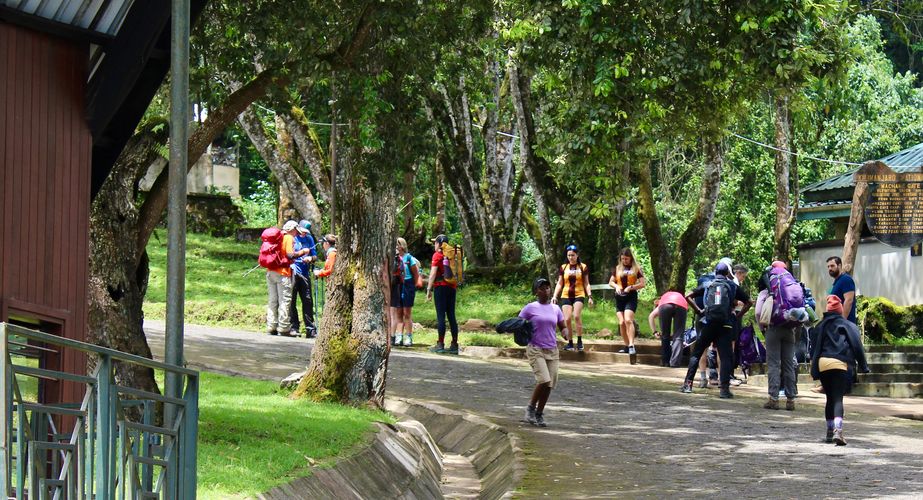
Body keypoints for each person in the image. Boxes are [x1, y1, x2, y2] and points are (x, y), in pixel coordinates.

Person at [680, 262, 752, 398]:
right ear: (727, 274)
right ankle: (724, 390)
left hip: (709, 323)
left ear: (715, 272)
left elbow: (688, 296)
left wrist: (699, 311)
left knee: (697, 353)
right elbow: (749, 302)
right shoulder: (732, 286)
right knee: (726, 357)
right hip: (725, 325)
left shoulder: (708, 284)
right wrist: (737, 317)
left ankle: (688, 385)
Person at [810, 295, 870, 446]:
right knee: (837, 398)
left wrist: (814, 368)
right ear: (840, 310)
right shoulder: (847, 325)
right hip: (840, 363)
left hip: (823, 363)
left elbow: (813, 348)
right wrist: (863, 366)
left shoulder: (820, 326)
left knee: (829, 398)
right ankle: (838, 431)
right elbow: (856, 345)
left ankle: (829, 432)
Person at [520, 277, 569, 427]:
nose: (546, 291)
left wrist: (565, 333)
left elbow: (562, 326)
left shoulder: (555, 308)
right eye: (542, 288)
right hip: (536, 349)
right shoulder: (530, 308)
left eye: (547, 288)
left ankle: (539, 413)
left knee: (549, 384)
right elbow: (519, 324)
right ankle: (530, 409)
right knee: (544, 380)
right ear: (536, 291)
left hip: (552, 350)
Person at [757, 261, 799, 410]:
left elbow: (758, 312)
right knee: (788, 364)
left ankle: (773, 399)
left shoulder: (767, 290)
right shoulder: (791, 285)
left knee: (774, 364)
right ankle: (790, 400)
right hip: (789, 329)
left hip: (773, 329)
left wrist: (762, 327)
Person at [551, 244, 592, 351]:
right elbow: (560, 283)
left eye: (573, 255)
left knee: (576, 316)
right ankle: (570, 342)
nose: (571, 257)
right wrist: (555, 296)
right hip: (566, 295)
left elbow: (586, 283)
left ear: (577, 255)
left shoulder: (583, 267)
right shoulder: (564, 267)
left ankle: (579, 341)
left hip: (579, 294)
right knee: (567, 319)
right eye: (569, 255)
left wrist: (590, 296)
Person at [266, 220, 301, 337]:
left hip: (270, 272)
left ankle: (271, 326)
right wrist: (302, 252)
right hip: (282, 273)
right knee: (284, 300)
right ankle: (284, 328)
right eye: (296, 231)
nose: (296, 234)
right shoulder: (288, 237)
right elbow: (290, 255)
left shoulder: (276, 237)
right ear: (292, 229)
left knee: (272, 300)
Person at [426, 234, 459, 354]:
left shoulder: (437, 255)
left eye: (435, 243)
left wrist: (429, 289)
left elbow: (433, 274)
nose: (434, 245)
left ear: (439, 244)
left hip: (440, 287)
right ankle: (454, 344)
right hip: (452, 288)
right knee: (451, 316)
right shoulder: (451, 255)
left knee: (441, 316)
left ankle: (440, 344)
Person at [609, 248, 645, 355]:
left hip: (631, 297)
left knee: (628, 320)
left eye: (626, 259)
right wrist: (616, 286)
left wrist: (631, 287)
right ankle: (626, 346)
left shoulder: (636, 268)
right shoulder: (617, 268)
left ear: (631, 258)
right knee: (621, 322)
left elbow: (642, 284)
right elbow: (611, 282)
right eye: (623, 259)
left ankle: (631, 345)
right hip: (619, 297)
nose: (624, 261)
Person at [390, 237, 421, 347]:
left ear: (402, 246)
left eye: (397, 245)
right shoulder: (394, 259)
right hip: (398, 285)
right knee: (399, 313)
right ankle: (399, 336)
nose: (396, 247)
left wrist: (415, 285)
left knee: (407, 313)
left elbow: (416, 273)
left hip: (408, 285)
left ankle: (408, 336)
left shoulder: (409, 258)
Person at [290, 220, 317, 338]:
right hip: (293, 271)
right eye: (302, 231)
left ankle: (310, 329)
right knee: (292, 300)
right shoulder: (292, 238)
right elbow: (289, 254)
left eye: (306, 232)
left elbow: (315, 255)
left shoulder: (309, 239)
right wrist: (301, 253)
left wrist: (311, 258)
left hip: (305, 272)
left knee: (307, 300)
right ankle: (294, 327)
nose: (304, 234)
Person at [649, 290, 688, 367]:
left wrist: (654, 332)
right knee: (678, 336)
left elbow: (651, 316)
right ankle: (675, 363)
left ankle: (665, 362)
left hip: (665, 306)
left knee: (665, 335)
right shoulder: (679, 296)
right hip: (682, 305)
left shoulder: (661, 302)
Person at [826, 256, 857, 324]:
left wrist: (842, 321)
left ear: (839, 266)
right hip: (836, 324)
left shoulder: (846, 279)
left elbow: (849, 300)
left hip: (845, 325)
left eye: (832, 266)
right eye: (828, 267)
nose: (830, 268)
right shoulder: (837, 282)